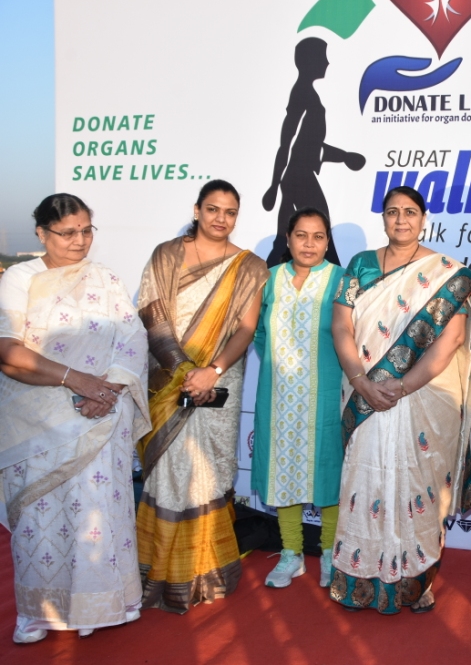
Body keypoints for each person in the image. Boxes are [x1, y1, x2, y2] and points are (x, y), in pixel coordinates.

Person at [328, 186, 471, 614]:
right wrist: (362, 382)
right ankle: (360, 580)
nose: (401, 220)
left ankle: (414, 583)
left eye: (410, 212)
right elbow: (342, 326)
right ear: (383, 218)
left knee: (419, 485)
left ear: (423, 219)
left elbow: (451, 339)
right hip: (364, 394)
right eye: (393, 212)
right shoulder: (361, 265)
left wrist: (401, 385)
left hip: (422, 396)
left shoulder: (447, 274)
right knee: (366, 480)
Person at [0, 194, 151, 643]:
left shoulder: (105, 278)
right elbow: (8, 350)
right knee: (38, 518)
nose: (79, 240)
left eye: (86, 230)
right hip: (37, 418)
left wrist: (109, 389)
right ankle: (36, 612)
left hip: (101, 415)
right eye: (68, 232)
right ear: (41, 232)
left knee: (96, 515)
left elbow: (133, 338)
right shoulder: (20, 278)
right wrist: (76, 380)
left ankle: (98, 605)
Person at [135, 180, 269, 613]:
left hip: (219, 380)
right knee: (167, 475)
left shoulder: (250, 268)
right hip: (169, 381)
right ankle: (159, 572)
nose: (221, 219)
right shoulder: (166, 255)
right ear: (197, 210)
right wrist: (184, 371)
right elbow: (152, 315)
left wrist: (211, 372)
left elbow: (245, 329)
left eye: (230, 212)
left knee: (208, 473)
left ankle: (204, 573)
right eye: (213, 209)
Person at [251, 207, 344, 589]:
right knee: (282, 471)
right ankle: (291, 553)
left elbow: (353, 335)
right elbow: (257, 332)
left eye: (318, 236)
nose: (309, 244)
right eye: (301, 235)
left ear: (327, 241)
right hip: (278, 396)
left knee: (329, 472)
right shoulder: (269, 279)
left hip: (326, 395)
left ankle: (330, 553)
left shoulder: (341, 280)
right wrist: (281, 365)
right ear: (287, 239)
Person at [262, 37, 366, 268]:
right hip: (298, 178)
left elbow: (310, 147)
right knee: (318, 234)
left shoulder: (307, 94)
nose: (327, 62)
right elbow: (287, 142)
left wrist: (344, 156)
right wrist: (274, 185)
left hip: (298, 176)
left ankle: (269, 278)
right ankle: (337, 281)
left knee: (289, 236)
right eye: (322, 57)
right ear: (308, 61)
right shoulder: (302, 94)